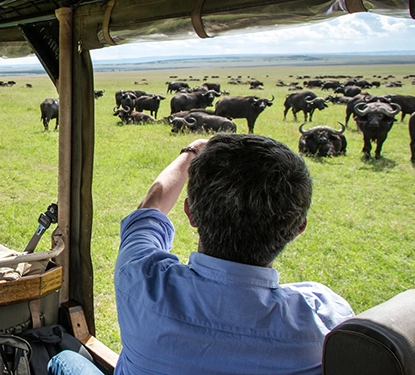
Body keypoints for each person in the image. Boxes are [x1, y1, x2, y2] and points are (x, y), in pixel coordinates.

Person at [114, 134, 354, 375]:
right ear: (297, 228)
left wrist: (192, 151)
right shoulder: (327, 321)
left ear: (190, 212)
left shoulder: (140, 279)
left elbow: (150, 208)